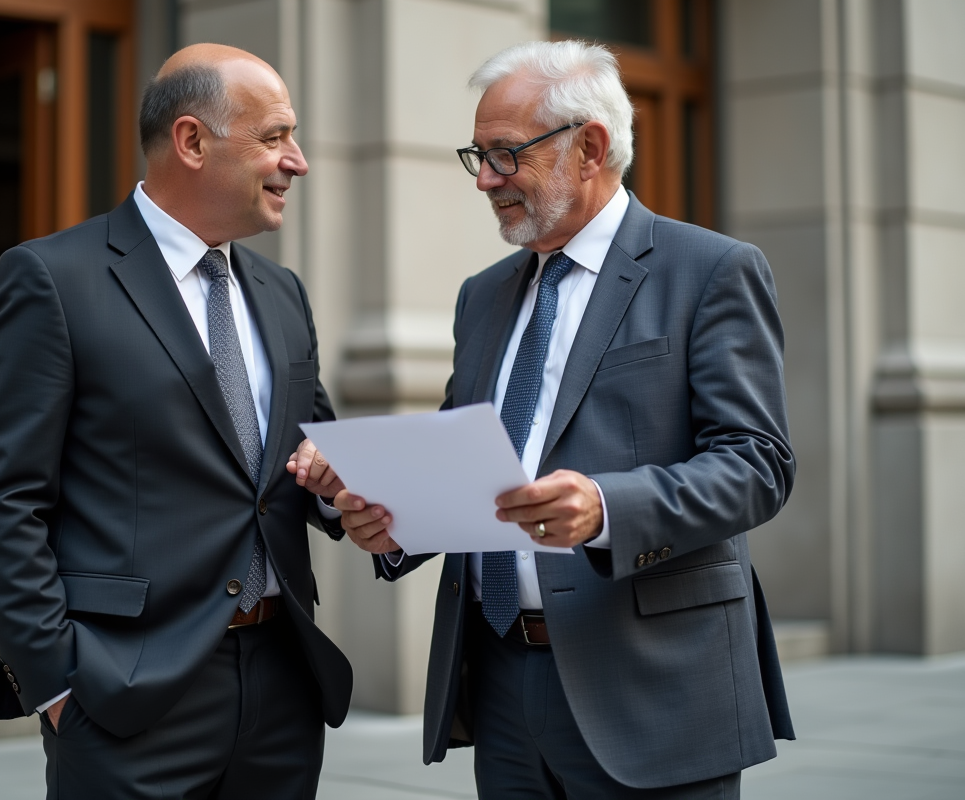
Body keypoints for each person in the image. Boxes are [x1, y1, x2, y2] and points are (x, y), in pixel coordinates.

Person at [290, 40, 796, 799]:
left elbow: (758, 464)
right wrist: (387, 517)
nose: (486, 180)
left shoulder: (711, 270)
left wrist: (605, 509)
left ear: (589, 147)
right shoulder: (483, 295)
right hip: (499, 684)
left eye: (505, 155)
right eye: (477, 156)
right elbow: (463, 464)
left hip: (650, 683)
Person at [0, 43, 351, 800]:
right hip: (123, 696)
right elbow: (0, 498)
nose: (296, 160)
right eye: (274, 137)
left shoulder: (282, 291)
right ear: (192, 141)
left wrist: (347, 489)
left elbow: (308, 456)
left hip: (282, 688)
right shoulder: (51, 280)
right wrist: (57, 685)